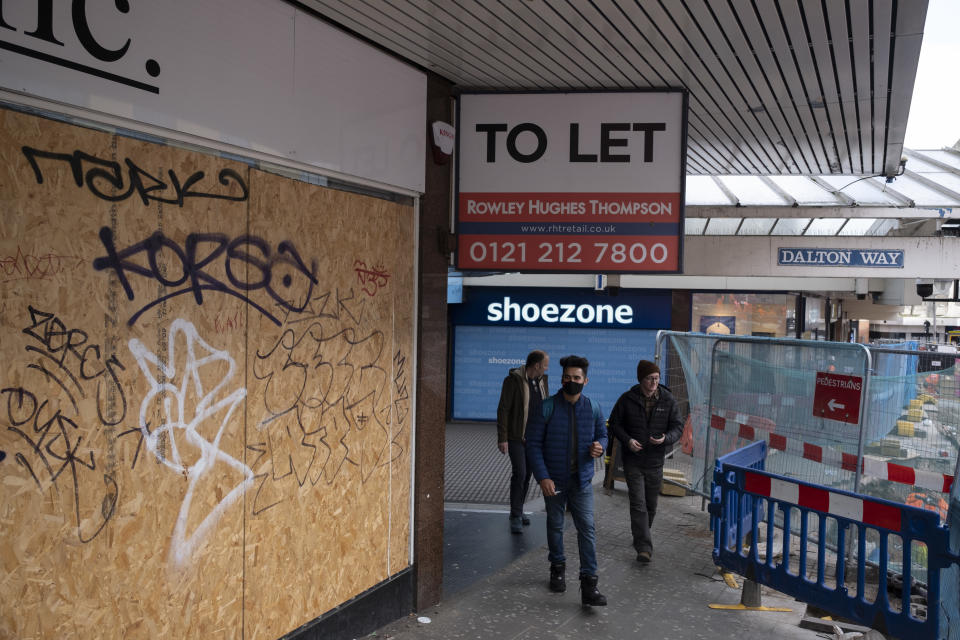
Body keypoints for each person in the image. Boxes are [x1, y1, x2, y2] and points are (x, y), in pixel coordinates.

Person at [525, 355, 608, 606]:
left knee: (587, 530)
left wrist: (600, 447)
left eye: (576, 378)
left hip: (581, 481)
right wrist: (543, 477)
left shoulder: (592, 407)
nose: (571, 381)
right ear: (562, 378)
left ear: (585, 380)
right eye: (567, 377)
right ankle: (557, 569)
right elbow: (533, 445)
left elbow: (603, 434)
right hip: (554, 481)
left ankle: (589, 584)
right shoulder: (547, 407)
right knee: (555, 525)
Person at [608, 360, 683, 563]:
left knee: (651, 505)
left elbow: (678, 426)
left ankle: (642, 534)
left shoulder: (668, 399)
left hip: (655, 461)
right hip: (633, 460)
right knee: (638, 504)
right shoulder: (627, 399)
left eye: (656, 379)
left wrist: (665, 439)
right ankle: (643, 547)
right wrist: (628, 440)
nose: (653, 383)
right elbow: (615, 423)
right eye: (650, 379)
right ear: (641, 379)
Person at [497, 350, 550, 534]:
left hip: (535, 439)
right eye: (545, 364)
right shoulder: (513, 380)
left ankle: (519, 510)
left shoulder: (542, 382)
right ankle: (515, 515)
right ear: (536, 365)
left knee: (527, 475)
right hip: (516, 437)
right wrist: (502, 438)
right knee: (520, 472)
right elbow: (503, 409)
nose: (546, 368)